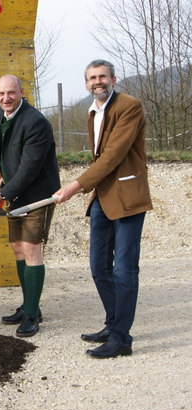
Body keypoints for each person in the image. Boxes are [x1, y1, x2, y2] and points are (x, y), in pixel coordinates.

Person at [55, 59, 152, 358]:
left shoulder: (129, 106)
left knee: (124, 270)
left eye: (102, 76)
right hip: (102, 198)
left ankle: (122, 339)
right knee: (99, 267)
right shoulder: (93, 111)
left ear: (113, 79)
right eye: (92, 78)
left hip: (127, 198)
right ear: (86, 84)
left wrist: (74, 186)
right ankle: (113, 324)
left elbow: (111, 157)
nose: (97, 81)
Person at [0, 74, 61, 338]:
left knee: (31, 250)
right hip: (16, 194)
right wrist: (1, 167)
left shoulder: (35, 123)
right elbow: (5, 150)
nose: (6, 98)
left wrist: (2, 194)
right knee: (18, 248)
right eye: (1, 94)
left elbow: (30, 168)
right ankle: (29, 304)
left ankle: (31, 315)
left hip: (37, 195)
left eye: (11, 93)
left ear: (21, 92)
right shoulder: (0, 116)